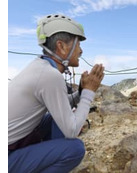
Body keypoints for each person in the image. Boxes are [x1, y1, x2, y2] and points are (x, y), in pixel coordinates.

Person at [8, 14, 105, 172]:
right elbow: (72, 130)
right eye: (77, 43)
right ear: (61, 46)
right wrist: (88, 92)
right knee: (75, 149)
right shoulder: (49, 75)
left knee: (57, 117)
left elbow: (61, 103)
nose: (80, 50)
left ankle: (47, 155)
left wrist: (80, 92)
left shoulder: (41, 67)